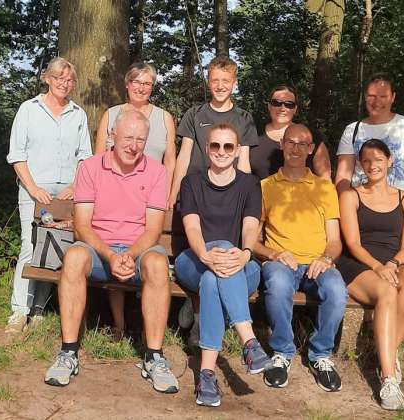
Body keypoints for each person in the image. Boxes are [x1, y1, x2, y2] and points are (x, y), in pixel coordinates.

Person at [44, 110, 179, 394]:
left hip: (138, 250)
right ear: (113, 136)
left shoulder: (157, 172)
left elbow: (153, 230)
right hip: (98, 250)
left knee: (157, 263)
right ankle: (68, 352)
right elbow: (82, 226)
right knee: (74, 257)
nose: (133, 146)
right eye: (128, 138)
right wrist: (111, 256)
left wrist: (128, 255)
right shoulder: (90, 168)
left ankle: (154, 357)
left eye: (140, 140)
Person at [334, 72, 404, 356]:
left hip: (402, 216)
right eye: (370, 96)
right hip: (362, 216)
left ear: (393, 97)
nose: (376, 101)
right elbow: (343, 176)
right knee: (375, 277)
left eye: (382, 96)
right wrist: (342, 209)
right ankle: (381, 348)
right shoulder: (353, 130)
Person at [174, 123, 272, 407]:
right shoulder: (192, 182)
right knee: (217, 255)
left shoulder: (249, 184)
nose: (221, 151)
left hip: (239, 265)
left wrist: (245, 253)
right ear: (207, 148)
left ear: (237, 150)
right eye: (215, 145)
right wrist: (205, 255)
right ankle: (249, 342)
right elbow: (192, 227)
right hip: (195, 260)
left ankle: (206, 375)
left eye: (228, 146)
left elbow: (250, 226)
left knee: (212, 280)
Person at [170, 55, 260, 345]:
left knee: (222, 254)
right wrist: (173, 193)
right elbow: (184, 155)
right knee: (201, 250)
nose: (220, 86)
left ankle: (200, 311)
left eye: (226, 81)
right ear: (208, 82)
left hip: (228, 196)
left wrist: (244, 195)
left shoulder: (243, 118)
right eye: (215, 80)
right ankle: (197, 302)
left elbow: (244, 161)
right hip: (197, 196)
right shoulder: (195, 114)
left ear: (234, 83)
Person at [253, 123, 348, 392]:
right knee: (278, 285)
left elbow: (335, 240)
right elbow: (252, 240)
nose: (295, 149)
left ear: (311, 149)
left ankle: (320, 355)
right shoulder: (265, 187)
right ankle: (282, 352)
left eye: (302, 144)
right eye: (290, 142)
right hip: (281, 263)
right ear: (281, 145)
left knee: (337, 290)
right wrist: (274, 254)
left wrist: (326, 259)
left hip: (317, 263)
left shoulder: (324, 188)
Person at [336, 139, 404, 410]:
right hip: (358, 265)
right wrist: (378, 267)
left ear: (389, 161)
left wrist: (392, 264)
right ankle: (389, 380)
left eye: (377, 159)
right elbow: (352, 243)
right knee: (387, 290)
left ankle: (387, 352)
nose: (372, 165)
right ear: (360, 165)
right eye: (366, 160)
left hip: (392, 264)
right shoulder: (350, 196)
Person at [4, 57, 92, 334]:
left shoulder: (78, 114)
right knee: (30, 246)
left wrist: (75, 186)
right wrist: (33, 188)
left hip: (65, 193)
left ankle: (39, 308)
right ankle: (20, 310)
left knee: (55, 250)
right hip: (34, 190)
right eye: (59, 78)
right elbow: (17, 155)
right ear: (47, 79)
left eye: (69, 80)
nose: (64, 84)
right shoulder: (29, 109)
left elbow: (85, 156)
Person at [95, 62, 177, 341]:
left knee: (147, 256)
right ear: (127, 84)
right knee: (117, 247)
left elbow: (170, 160)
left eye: (147, 84)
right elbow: (99, 159)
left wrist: (169, 195)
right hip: (117, 198)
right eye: (137, 82)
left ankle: (145, 329)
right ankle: (119, 323)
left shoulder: (164, 118)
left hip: (151, 199)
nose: (141, 88)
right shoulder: (111, 115)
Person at [249, 85, 331, 180]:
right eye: (276, 103)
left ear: (295, 109)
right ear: (269, 106)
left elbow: (325, 179)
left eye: (289, 104)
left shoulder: (311, 136)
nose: (282, 108)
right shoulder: (252, 133)